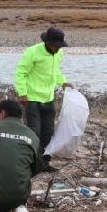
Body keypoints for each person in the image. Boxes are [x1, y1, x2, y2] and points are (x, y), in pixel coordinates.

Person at [14, 26, 71, 172]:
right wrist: (22, 93)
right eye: (55, 45)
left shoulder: (59, 53)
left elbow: (55, 72)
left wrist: (63, 82)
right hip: (32, 98)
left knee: (48, 132)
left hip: (48, 98)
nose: (58, 48)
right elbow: (20, 73)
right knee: (34, 132)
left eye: (60, 46)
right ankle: (30, 163)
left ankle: (44, 163)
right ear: (47, 43)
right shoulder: (32, 52)